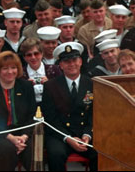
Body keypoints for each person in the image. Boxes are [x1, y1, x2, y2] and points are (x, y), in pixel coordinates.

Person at [0, 51, 36, 171]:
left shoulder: (26, 87)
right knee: (8, 150)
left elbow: (32, 116)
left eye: (13, 68)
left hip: (22, 134)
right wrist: (11, 138)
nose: (10, 72)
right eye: (5, 68)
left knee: (33, 151)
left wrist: (23, 137)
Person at [42, 42, 97, 171]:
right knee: (56, 154)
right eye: (67, 61)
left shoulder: (91, 83)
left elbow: (94, 114)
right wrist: (68, 138)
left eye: (74, 60)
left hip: (84, 133)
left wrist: (87, 135)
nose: (71, 64)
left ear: (81, 61)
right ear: (60, 65)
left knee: (101, 152)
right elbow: (51, 119)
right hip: (60, 134)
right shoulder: (50, 86)